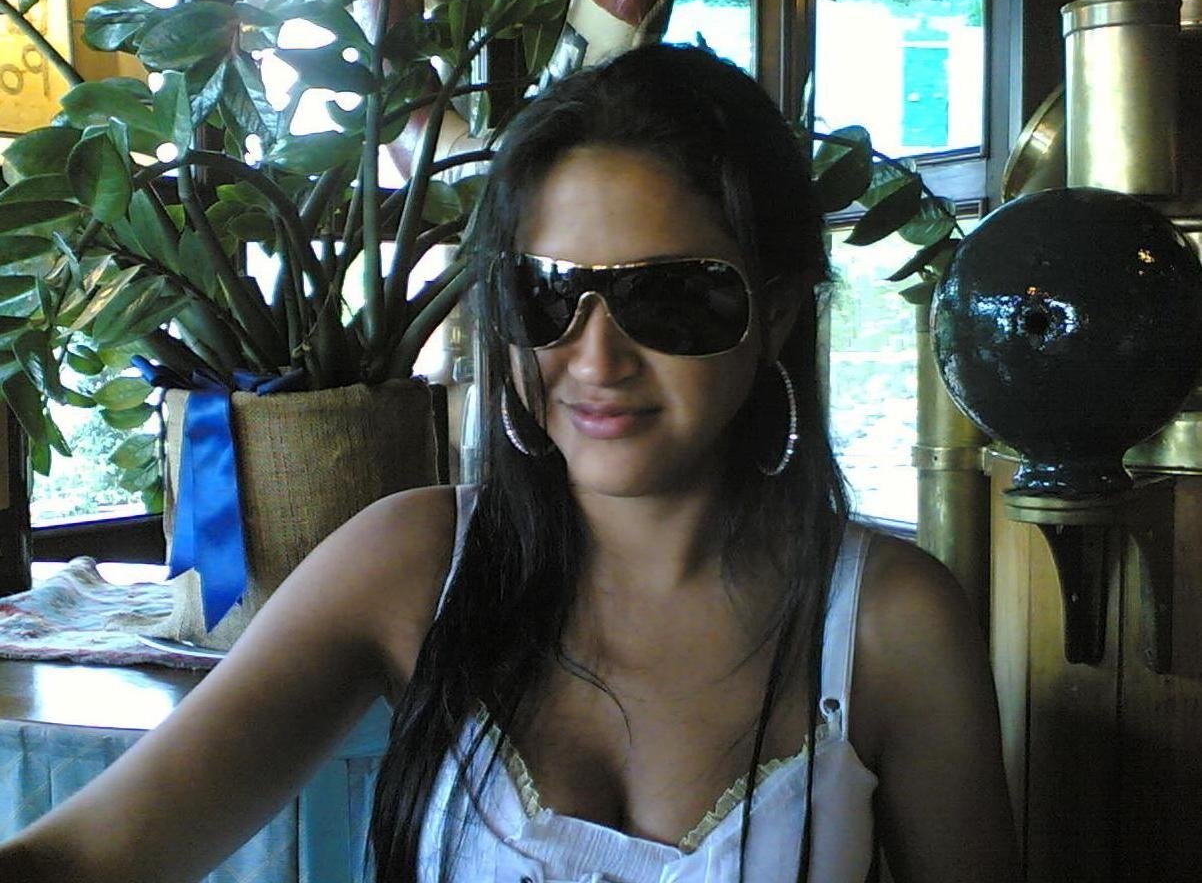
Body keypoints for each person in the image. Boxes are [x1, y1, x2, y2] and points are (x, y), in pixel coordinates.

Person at [0, 44, 1019, 883]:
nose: (596, 358)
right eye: (547, 294)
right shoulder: (411, 562)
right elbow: (89, 853)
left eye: (671, 297)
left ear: (778, 313)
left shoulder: (888, 624)